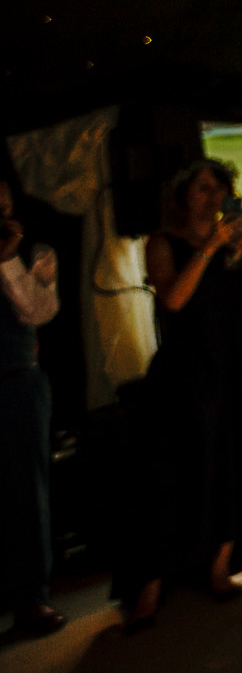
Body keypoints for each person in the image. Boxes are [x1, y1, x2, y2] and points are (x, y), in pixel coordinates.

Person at [115, 161, 242, 628]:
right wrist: (211, 247)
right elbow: (174, 301)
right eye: (201, 188)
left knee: (237, 462)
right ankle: (153, 581)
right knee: (174, 470)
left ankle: (220, 565)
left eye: (218, 188)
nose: (210, 196)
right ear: (182, 196)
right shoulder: (163, 243)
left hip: (238, 364)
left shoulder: (235, 245)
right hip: (185, 368)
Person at [0, 180, 66, 638]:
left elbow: (40, 310)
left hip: (17, 381)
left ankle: (31, 602)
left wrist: (6, 258)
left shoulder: (36, 251)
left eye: (2, 202)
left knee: (27, 492)